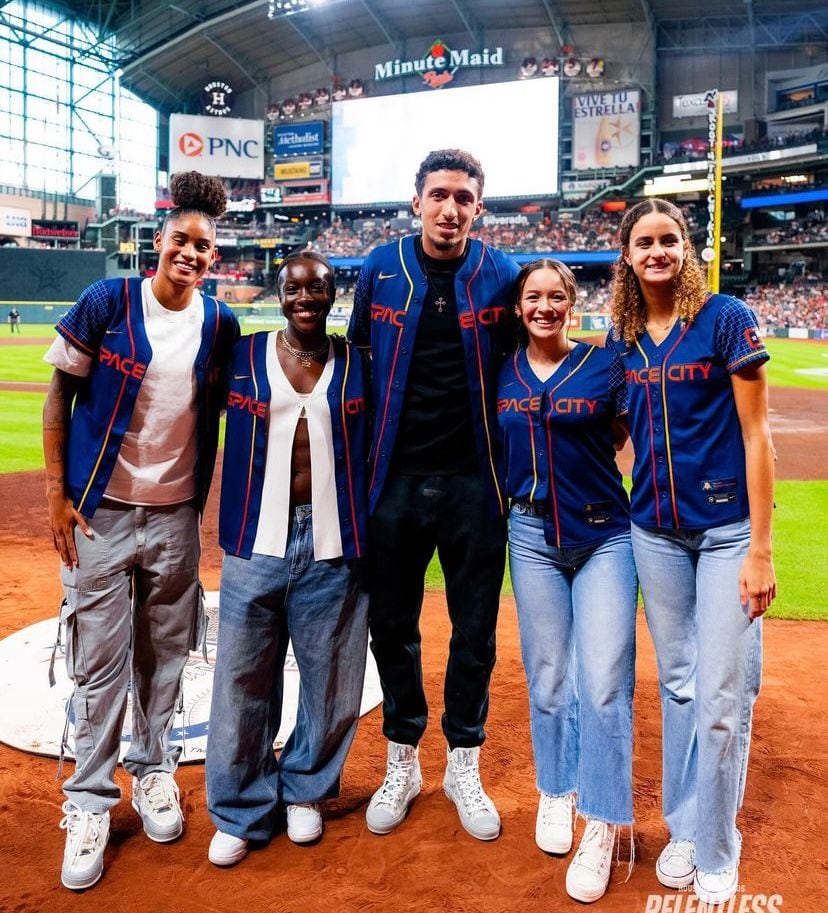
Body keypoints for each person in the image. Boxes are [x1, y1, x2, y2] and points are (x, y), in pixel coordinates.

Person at [42, 171, 239, 890]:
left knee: (164, 657)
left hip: (175, 516)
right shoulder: (107, 300)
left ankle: (152, 769)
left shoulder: (221, 323)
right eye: (182, 240)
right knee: (100, 663)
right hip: (99, 510)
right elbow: (59, 393)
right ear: (158, 241)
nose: (191, 252)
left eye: (205, 246)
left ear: (215, 256)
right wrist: (54, 495)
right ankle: (89, 802)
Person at [607, 199, 776, 906]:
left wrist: (762, 548)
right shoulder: (620, 334)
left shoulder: (725, 318)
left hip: (726, 530)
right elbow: (611, 427)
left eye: (668, 238)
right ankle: (685, 824)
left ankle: (716, 844)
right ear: (626, 252)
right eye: (643, 241)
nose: (657, 251)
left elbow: (757, 434)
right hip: (655, 532)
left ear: (687, 247)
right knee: (678, 686)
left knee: (720, 695)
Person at [348, 149, 519, 841]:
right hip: (394, 480)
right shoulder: (379, 268)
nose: (451, 208)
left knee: (475, 630)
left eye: (464, 197)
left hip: (476, 482)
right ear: (416, 200)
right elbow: (357, 363)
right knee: (392, 625)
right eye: (439, 194)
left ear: (479, 208)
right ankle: (403, 758)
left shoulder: (502, 274)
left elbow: (523, 363)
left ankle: (463, 762)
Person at [205, 251, 370, 867]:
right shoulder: (242, 355)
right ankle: (241, 807)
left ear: (333, 294)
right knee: (242, 678)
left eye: (318, 287)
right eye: (295, 288)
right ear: (279, 292)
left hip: (333, 541)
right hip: (255, 539)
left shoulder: (358, 363)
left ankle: (305, 790)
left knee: (331, 677)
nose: (306, 297)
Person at [497, 259, 637, 903]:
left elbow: (642, 428)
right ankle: (557, 790)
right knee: (548, 676)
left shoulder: (606, 365)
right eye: (534, 296)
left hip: (606, 535)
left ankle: (603, 822)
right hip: (529, 538)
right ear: (519, 306)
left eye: (556, 296)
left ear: (571, 304)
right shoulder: (502, 367)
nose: (545, 306)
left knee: (604, 684)